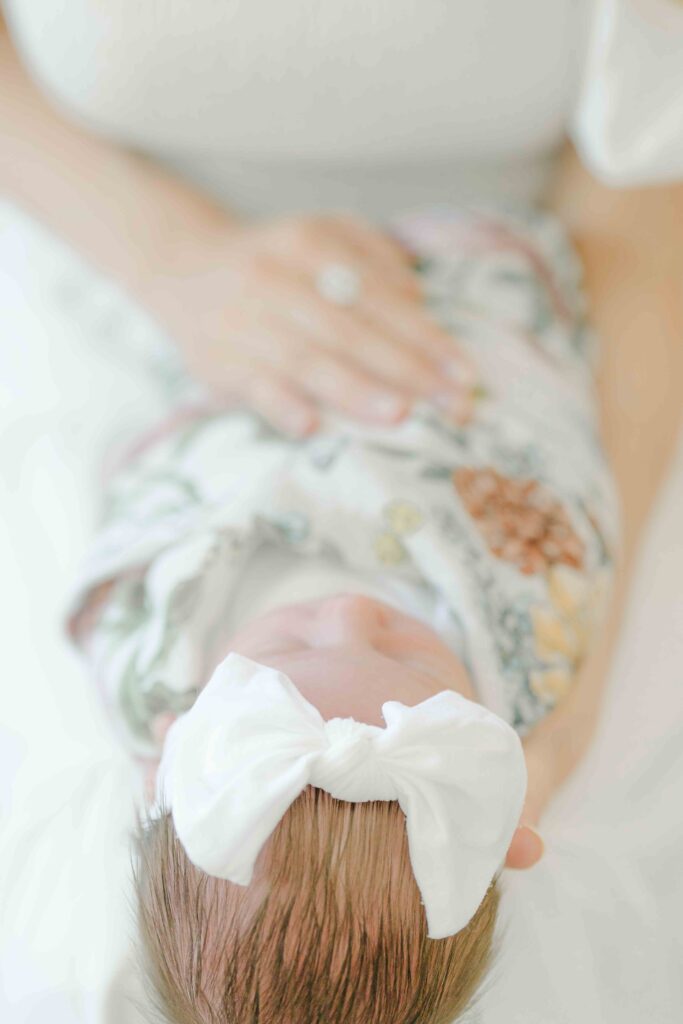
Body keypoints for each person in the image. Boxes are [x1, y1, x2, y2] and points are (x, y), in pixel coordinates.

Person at [2, 2, 683, 1021]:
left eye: (288, 651)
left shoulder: (154, 659)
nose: (353, 616)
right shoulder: (526, 655)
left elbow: (129, 548)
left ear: (171, 749)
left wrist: (168, 282)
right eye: (405, 659)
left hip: (173, 346)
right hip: (481, 289)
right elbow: (557, 494)